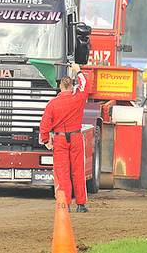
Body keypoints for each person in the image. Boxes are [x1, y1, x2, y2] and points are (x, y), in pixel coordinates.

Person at [40, 62, 91, 213]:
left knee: (62, 171)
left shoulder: (53, 104)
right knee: (78, 171)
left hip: (60, 139)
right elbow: (85, 86)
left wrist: (46, 141)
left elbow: (44, 124)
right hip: (76, 137)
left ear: (61, 87)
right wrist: (79, 71)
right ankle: (81, 205)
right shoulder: (78, 98)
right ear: (71, 87)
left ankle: (65, 204)